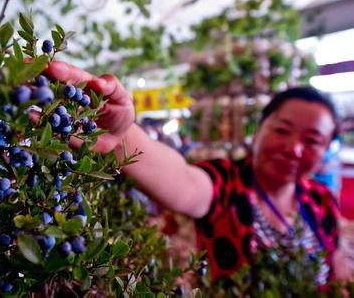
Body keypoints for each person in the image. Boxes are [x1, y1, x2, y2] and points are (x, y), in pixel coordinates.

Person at [44, 61, 353, 284]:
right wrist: (122, 138)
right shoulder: (227, 183)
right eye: (282, 130)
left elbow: (336, 264)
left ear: (326, 149)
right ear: (257, 133)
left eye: (312, 140)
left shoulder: (320, 200)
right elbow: (184, 183)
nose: (295, 149)